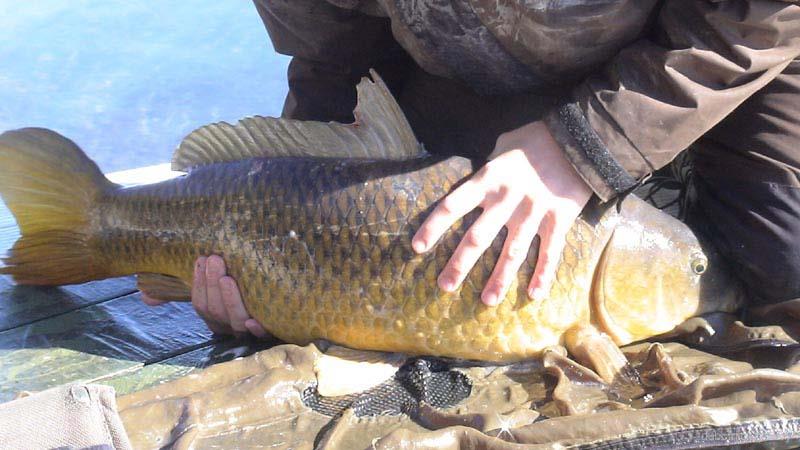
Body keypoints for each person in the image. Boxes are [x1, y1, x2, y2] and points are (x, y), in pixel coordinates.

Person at [143, 0, 800, 337]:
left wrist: (587, 145)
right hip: (466, 57)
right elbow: (332, 64)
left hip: (714, 41)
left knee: (781, 275)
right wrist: (271, 259)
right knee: (451, 258)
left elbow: (762, 14)